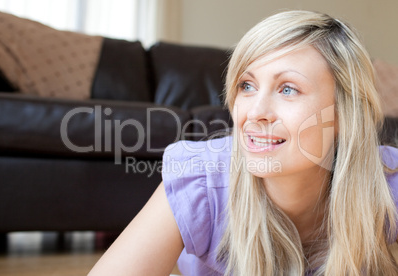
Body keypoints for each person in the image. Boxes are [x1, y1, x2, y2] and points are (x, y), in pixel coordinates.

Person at [89, 10, 398, 275]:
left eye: (288, 89)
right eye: (246, 86)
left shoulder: (387, 183)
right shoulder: (202, 181)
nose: (255, 112)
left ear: (346, 114)